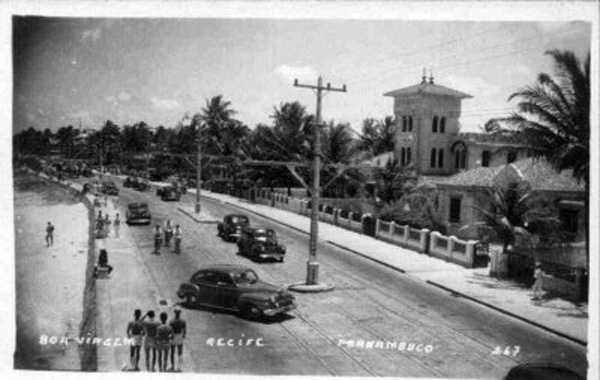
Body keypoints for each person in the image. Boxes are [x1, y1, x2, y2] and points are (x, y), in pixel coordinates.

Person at [169, 307, 186, 371]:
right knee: (180, 352)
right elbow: (184, 330)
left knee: (172, 352)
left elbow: (170, 330)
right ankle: (179, 367)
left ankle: (172, 366)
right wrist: (183, 336)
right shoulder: (183, 321)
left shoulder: (172, 321)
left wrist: (170, 336)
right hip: (179, 336)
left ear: (174, 313)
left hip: (174, 336)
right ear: (180, 313)